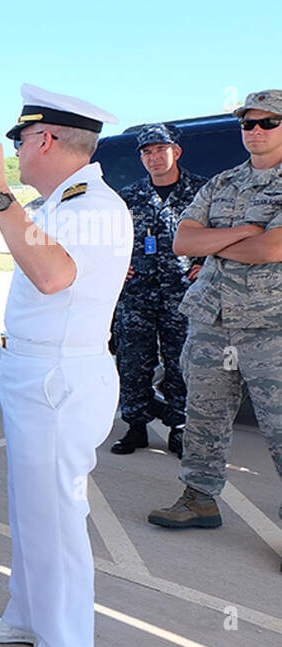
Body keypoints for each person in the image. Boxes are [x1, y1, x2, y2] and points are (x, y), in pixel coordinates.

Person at [0, 83, 130, 647]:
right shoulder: (59, 203)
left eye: (21, 139)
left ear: (47, 138)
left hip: (59, 377)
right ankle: (28, 614)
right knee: (31, 509)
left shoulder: (91, 206)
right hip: (35, 373)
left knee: (55, 518)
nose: (16, 152)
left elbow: (52, 276)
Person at [148, 90, 282, 534]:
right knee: (204, 415)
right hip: (212, 320)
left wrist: (220, 242)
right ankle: (199, 499)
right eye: (248, 124)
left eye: (268, 123)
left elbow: (272, 248)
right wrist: (245, 231)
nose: (256, 131)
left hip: (271, 324)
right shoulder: (221, 183)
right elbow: (183, 242)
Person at [109, 124, 208, 459]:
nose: (153, 157)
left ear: (175, 151)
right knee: (133, 361)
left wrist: (207, 262)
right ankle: (135, 425)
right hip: (136, 295)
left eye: (159, 150)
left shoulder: (202, 191)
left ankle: (179, 429)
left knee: (182, 362)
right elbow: (110, 238)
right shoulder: (129, 195)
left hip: (183, 293)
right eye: (146, 152)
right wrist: (117, 264)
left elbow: (225, 231)